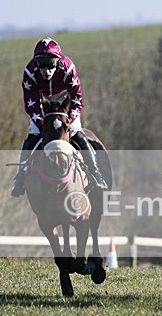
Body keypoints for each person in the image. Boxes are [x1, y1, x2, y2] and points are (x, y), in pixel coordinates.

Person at [11, 37, 107, 197]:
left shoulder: (68, 69)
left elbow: (77, 99)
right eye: (41, 65)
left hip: (65, 105)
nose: (46, 71)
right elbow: (30, 103)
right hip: (42, 106)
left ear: (58, 62)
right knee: (32, 137)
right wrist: (42, 123)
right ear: (36, 63)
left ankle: (95, 172)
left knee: (77, 134)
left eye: (50, 66)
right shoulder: (30, 72)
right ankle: (20, 177)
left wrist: (68, 119)